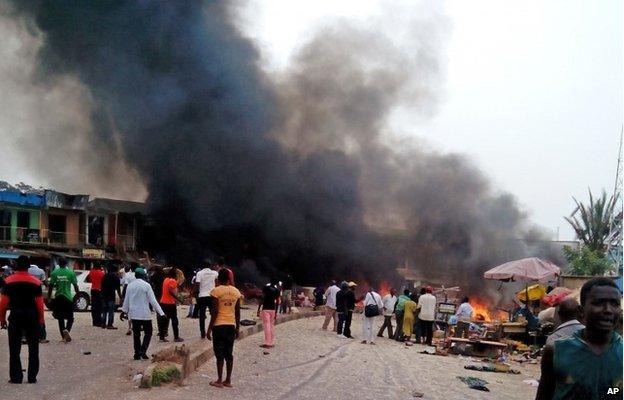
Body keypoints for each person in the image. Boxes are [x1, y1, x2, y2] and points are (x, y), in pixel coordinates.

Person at [536, 278, 622, 400]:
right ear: (582, 311)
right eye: (599, 303)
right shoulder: (556, 351)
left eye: (615, 304)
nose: (608, 310)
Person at [0, 256, 45, 383]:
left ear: (16, 265)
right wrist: (41, 320)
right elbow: (40, 303)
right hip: (32, 316)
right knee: (33, 347)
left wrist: (2, 319)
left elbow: (3, 303)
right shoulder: (36, 282)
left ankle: (16, 377)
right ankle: (32, 377)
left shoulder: (8, 281)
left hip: (15, 316)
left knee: (14, 348)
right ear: (28, 267)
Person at [208, 268, 242, 388]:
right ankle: (228, 380)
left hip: (219, 325)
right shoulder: (236, 292)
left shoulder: (215, 291)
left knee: (219, 353)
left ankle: (219, 380)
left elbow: (215, 311)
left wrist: (209, 328)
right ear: (228, 278)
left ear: (218, 279)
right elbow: (237, 312)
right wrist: (237, 328)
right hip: (231, 325)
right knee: (229, 353)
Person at [120, 268, 165, 360]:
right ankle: (143, 351)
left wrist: (123, 311)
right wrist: (161, 313)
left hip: (134, 314)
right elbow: (153, 301)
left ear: (136, 275)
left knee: (136, 334)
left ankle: (137, 353)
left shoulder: (130, 286)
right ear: (143, 276)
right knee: (148, 333)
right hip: (145, 314)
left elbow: (127, 300)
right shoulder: (146, 285)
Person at [48, 258, 79, 342]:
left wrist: (49, 298)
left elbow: (50, 286)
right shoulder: (71, 273)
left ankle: (63, 336)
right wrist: (78, 295)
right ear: (66, 264)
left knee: (60, 318)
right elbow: (75, 286)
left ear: (59, 264)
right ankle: (67, 330)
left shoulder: (54, 273)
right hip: (68, 297)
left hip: (58, 297)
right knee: (70, 318)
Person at [195, 260, 219, 339]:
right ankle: (213, 330)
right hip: (212, 296)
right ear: (210, 266)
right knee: (213, 314)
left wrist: (194, 293)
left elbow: (197, 284)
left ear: (202, 266)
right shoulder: (215, 273)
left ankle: (202, 333)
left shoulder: (199, 273)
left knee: (202, 315)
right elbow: (217, 282)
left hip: (202, 296)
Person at [159, 267, 184, 342]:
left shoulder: (165, 280)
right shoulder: (173, 281)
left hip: (163, 302)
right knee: (174, 320)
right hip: (170, 303)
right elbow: (170, 291)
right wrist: (178, 299)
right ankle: (176, 337)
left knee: (164, 320)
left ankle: (162, 337)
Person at [28, 263, 48, 344]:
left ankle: (25, 336)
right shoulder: (40, 271)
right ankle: (42, 337)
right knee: (40, 316)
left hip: (26, 296)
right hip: (37, 295)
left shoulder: (27, 271)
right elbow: (45, 282)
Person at [257, 277, 280, 348]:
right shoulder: (277, 290)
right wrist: (276, 312)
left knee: (266, 325)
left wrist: (259, 308)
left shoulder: (266, 288)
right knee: (271, 325)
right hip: (273, 309)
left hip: (266, 308)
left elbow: (262, 298)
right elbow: (277, 301)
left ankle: (267, 343)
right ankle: (271, 342)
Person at [101, 264, 122, 329]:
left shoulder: (105, 276)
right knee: (111, 311)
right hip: (111, 296)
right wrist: (120, 297)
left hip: (104, 295)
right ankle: (109, 324)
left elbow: (102, 286)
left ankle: (103, 324)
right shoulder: (116, 277)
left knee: (104, 310)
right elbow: (118, 288)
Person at [86, 263, 105, 327]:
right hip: (99, 290)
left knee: (94, 306)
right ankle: (99, 321)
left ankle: (94, 321)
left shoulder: (91, 272)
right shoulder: (102, 273)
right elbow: (103, 282)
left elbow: (89, 279)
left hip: (93, 289)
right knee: (99, 306)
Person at [150, 265, 167, 339]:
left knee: (159, 314)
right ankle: (165, 331)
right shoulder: (165, 278)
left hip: (157, 296)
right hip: (165, 297)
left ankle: (160, 331)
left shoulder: (153, 277)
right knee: (165, 313)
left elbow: (151, 284)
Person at [121, 263, 138, 336]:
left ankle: (130, 327)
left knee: (130, 311)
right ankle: (136, 326)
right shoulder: (138, 275)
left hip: (130, 294)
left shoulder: (127, 275)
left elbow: (125, 285)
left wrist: (123, 295)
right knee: (136, 310)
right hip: (137, 294)